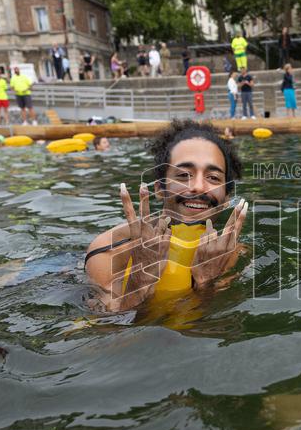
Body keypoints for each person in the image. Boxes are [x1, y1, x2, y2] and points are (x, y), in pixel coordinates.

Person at [84, 119, 247, 312]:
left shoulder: (231, 253)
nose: (198, 187)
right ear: (160, 189)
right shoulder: (108, 250)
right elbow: (109, 334)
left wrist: (206, 283)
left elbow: (207, 332)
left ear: (226, 197)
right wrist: (141, 278)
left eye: (213, 178)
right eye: (183, 174)